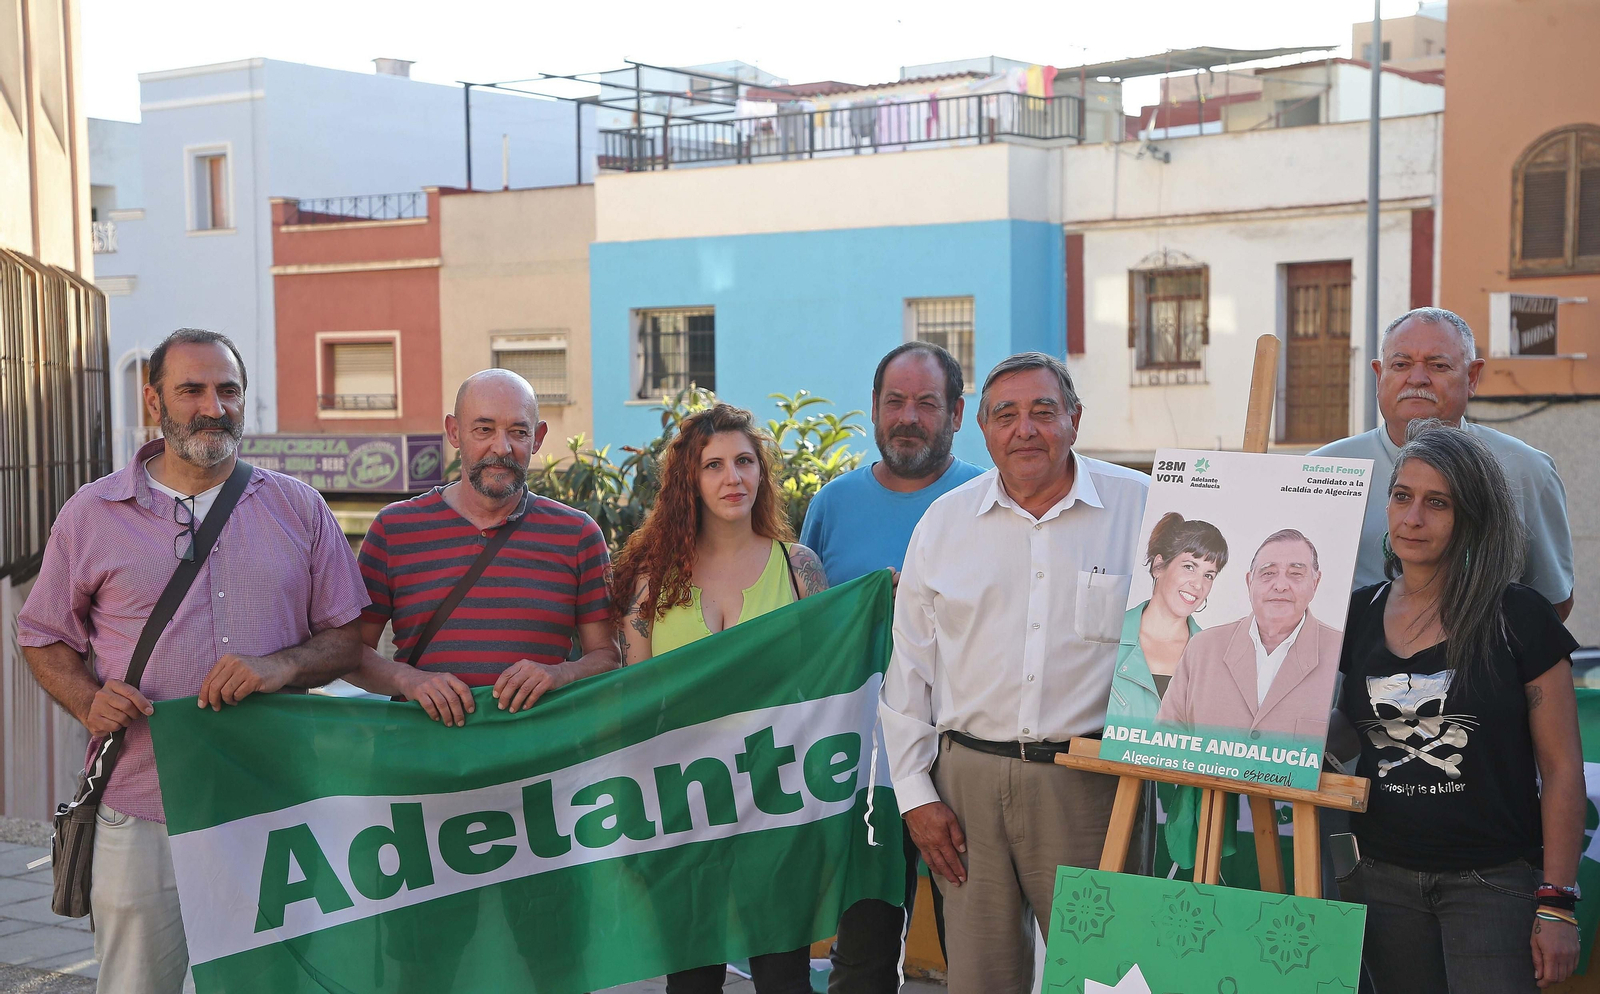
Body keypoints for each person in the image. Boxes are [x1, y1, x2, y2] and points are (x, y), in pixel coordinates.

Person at [17, 328, 368, 994]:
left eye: (228, 390)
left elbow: (347, 642)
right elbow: (41, 635)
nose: (214, 407)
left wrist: (284, 666)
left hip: (273, 802)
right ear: (155, 400)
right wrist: (87, 699)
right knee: (136, 985)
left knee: (269, 986)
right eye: (192, 390)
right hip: (142, 803)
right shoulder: (93, 513)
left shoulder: (299, 508)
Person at [880, 352, 1149, 994]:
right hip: (966, 791)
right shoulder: (943, 523)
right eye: (1006, 415)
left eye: (1043, 412)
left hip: (1092, 787)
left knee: (1105, 980)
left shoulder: (1142, 511)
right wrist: (916, 796)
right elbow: (909, 669)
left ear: (1075, 421)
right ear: (982, 428)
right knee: (981, 981)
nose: (1024, 429)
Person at [1334, 421, 1583, 993]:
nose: (1412, 517)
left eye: (1437, 503)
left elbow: (1563, 769)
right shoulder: (1358, 615)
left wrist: (1557, 903)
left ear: (1472, 517)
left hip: (1492, 884)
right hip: (1380, 878)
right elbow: (1350, 732)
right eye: (1402, 497)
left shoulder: (1518, 618)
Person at [613, 402, 828, 994]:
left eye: (744, 462)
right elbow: (634, 710)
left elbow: (828, 686)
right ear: (691, 479)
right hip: (683, 804)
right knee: (692, 982)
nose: (732, 478)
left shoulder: (800, 568)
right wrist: (635, 817)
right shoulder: (652, 581)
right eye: (714, 465)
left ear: (762, 473)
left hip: (779, 800)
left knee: (785, 979)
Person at [799, 342, 984, 994]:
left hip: (966, 762)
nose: (909, 417)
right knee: (864, 958)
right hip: (865, 768)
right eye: (894, 402)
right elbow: (811, 631)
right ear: (873, 411)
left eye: (926, 404)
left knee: (978, 956)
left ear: (957, 413)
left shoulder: (985, 500)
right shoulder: (832, 504)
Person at [349, 369, 618, 721]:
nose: (501, 447)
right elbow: (349, 653)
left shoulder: (578, 534)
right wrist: (407, 680)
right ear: (454, 432)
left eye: (518, 432)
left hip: (542, 762)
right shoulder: (393, 528)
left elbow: (608, 659)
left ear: (537, 439)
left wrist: (560, 674)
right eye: (484, 429)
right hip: (419, 760)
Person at [1311, 306, 1574, 620]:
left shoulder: (1526, 470)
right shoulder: (1319, 471)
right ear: (1380, 376)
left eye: (1437, 365)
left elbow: (1552, 606)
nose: (1417, 378)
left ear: (1472, 376)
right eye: (1401, 364)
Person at [1156, 529, 1342, 740]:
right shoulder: (1203, 648)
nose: (1280, 586)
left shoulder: (1341, 652)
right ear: (1249, 582)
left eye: (1295, 574)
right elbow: (1165, 738)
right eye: (1268, 573)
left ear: (1315, 583)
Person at [1109, 512, 1229, 721]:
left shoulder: (1216, 658)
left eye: (1209, 575)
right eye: (1189, 567)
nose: (1198, 584)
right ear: (1158, 566)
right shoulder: (1108, 637)